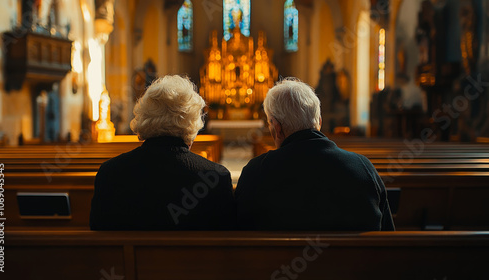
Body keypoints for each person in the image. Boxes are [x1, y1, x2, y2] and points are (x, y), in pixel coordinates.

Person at [235, 78, 395, 231]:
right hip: (357, 260)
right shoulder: (363, 167)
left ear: (277, 128)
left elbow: (239, 235)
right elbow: (387, 235)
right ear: (319, 121)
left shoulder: (256, 171)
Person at [90, 75, 235, 230]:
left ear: (144, 117)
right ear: (192, 124)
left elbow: (98, 231)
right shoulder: (216, 178)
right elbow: (228, 242)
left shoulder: (109, 173)